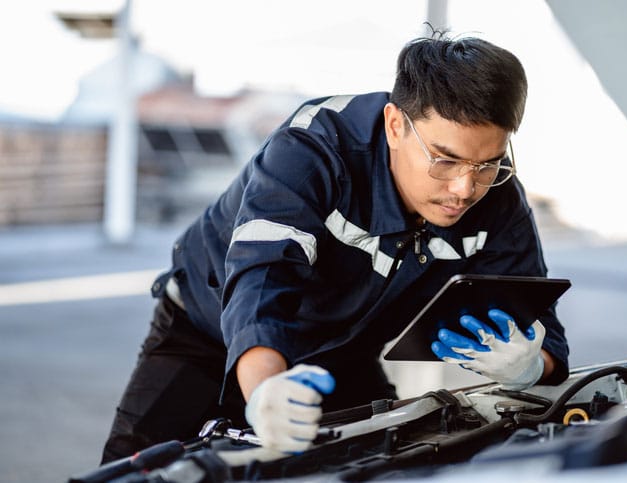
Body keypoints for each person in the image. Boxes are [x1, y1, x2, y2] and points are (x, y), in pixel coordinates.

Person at [101, 33, 569, 462]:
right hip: (207, 336)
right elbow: (261, 280)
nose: (466, 189)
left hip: (340, 358)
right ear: (394, 126)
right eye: (444, 160)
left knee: (386, 464)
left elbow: (547, 336)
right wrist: (264, 390)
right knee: (134, 471)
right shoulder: (312, 148)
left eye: (487, 163)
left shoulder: (499, 193)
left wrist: (529, 365)